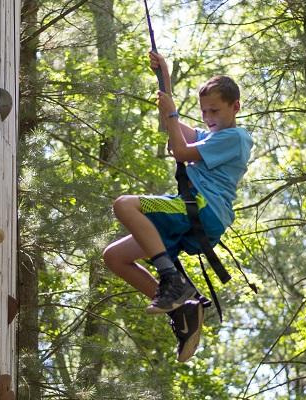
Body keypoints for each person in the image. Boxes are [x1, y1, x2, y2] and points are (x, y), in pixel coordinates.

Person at [101, 51, 253, 362]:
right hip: (190, 212)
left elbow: (181, 152)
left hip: (204, 209)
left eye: (215, 111)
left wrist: (171, 116)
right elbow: (173, 127)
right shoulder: (207, 136)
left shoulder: (236, 138)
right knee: (115, 257)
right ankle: (184, 309)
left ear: (235, 107)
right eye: (204, 112)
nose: (209, 117)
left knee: (125, 205)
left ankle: (172, 280)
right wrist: (164, 79)